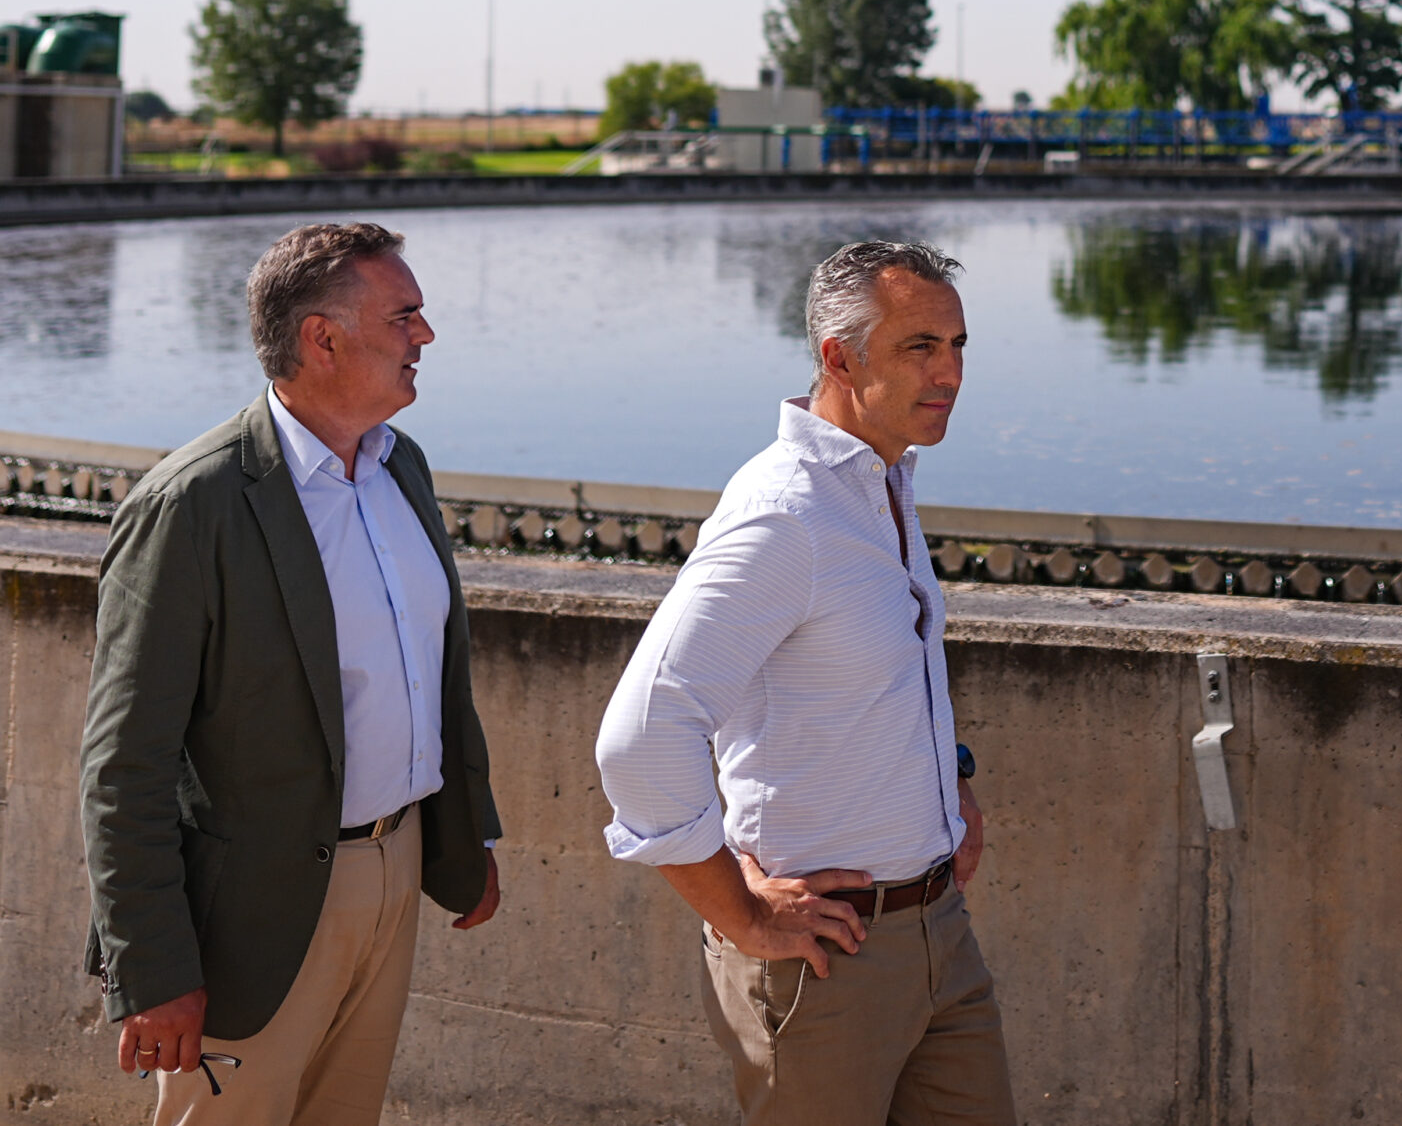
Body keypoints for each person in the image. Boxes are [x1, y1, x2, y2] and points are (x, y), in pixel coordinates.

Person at [81, 222, 504, 1124]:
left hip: (396, 866)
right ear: (323, 338)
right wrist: (151, 969)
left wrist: (469, 840)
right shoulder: (192, 505)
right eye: (406, 315)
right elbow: (124, 765)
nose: (425, 336)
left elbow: (434, 678)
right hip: (254, 913)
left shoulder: (401, 469)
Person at [595, 241, 1011, 1126]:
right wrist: (737, 910)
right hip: (826, 964)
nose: (951, 373)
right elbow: (642, 734)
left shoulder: (881, 478)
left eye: (958, 345)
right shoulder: (787, 515)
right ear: (838, 357)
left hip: (939, 933)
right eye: (920, 347)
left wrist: (955, 775)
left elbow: (879, 674)